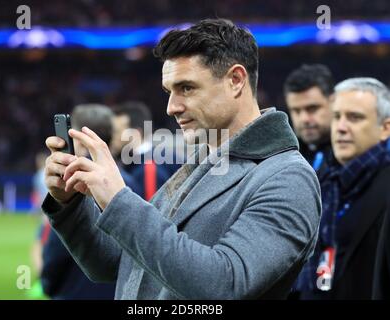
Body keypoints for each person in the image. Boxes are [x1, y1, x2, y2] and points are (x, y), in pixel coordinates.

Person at [41, 18, 321, 300]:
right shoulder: (203, 160)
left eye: (186, 88)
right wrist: (71, 202)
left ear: (235, 80)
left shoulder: (288, 178)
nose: (172, 107)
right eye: (169, 91)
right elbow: (115, 263)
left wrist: (118, 199)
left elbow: (224, 285)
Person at [295, 78, 390, 300]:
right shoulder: (322, 181)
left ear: (385, 128)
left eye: (354, 118)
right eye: (336, 117)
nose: (341, 127)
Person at [40, 103, 140, 300]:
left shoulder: (73, 186)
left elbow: (56, 252)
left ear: (80, 140)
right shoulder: (129, 184)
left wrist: (47, 283)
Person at [112, 101, 181, 200]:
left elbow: (151, 212)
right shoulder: (142, 161)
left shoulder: (149, 168)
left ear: (135, 133)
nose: (113, 137)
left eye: (117, 131)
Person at [284, 64, 334, 172]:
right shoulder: (284, 157)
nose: (304, 119)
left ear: (333, 102)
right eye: (296, 111)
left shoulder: (351, 155)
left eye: (312, 108)